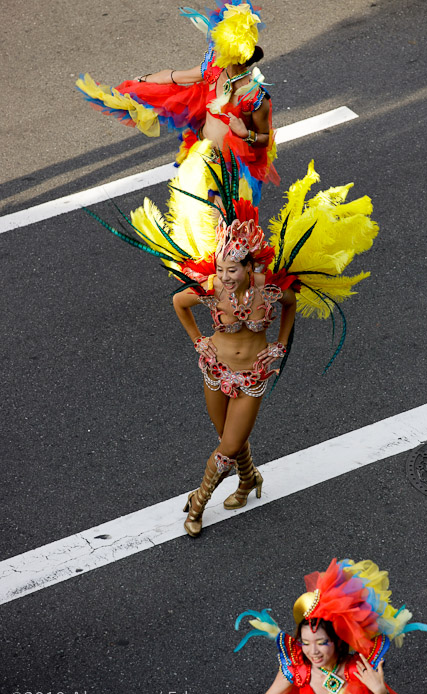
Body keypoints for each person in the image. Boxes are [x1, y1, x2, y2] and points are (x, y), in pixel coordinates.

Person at [85, 144, 378, 537]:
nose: (224, 276)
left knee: (224, 450)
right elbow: (178, 302)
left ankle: (196, 504)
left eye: (231, 270)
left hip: (253, 375)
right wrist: (197, 340)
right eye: (220, 267)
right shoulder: (211, 288)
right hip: (214, 369)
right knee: (228, 439)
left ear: (249, 266)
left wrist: (282, 343)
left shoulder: (270, 289)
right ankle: (249, 479)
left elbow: (292, 305)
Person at [76, 1, 278, 204]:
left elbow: (264, 139)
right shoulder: (211, 71)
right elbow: (175, 77)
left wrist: (245, 134)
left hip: (232, 172)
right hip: (204, 157)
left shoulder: (255, 97)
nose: (217, 52)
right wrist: (144, 80)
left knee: (220, 226)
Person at [229, 558, 427, 694]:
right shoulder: (296, 669)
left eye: (322, 643)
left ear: (338, 641)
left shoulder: (359, 671)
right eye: (305, 642)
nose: (312, 652)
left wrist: (380, 691)